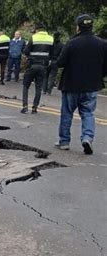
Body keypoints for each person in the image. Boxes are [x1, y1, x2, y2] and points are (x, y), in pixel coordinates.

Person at [55, 14, 107, 155]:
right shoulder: (102, 43)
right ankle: (87, 137)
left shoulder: (72, 43)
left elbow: (60, 63)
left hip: (71, 84)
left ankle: (64, 141)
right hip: (91, 85)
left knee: (67, 113)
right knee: (88, 113)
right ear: (92, 25)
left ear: (78, 27)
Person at [21, 23, 53, 114]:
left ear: (37, 29)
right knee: (38, 88)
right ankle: (34, 108)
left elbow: (26, 51)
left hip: (32, 65)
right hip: (43, 66)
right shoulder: (51, 38)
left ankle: (25, 106)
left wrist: (29, 56)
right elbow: (52, 53)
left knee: (26, 85)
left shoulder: (34, 37)